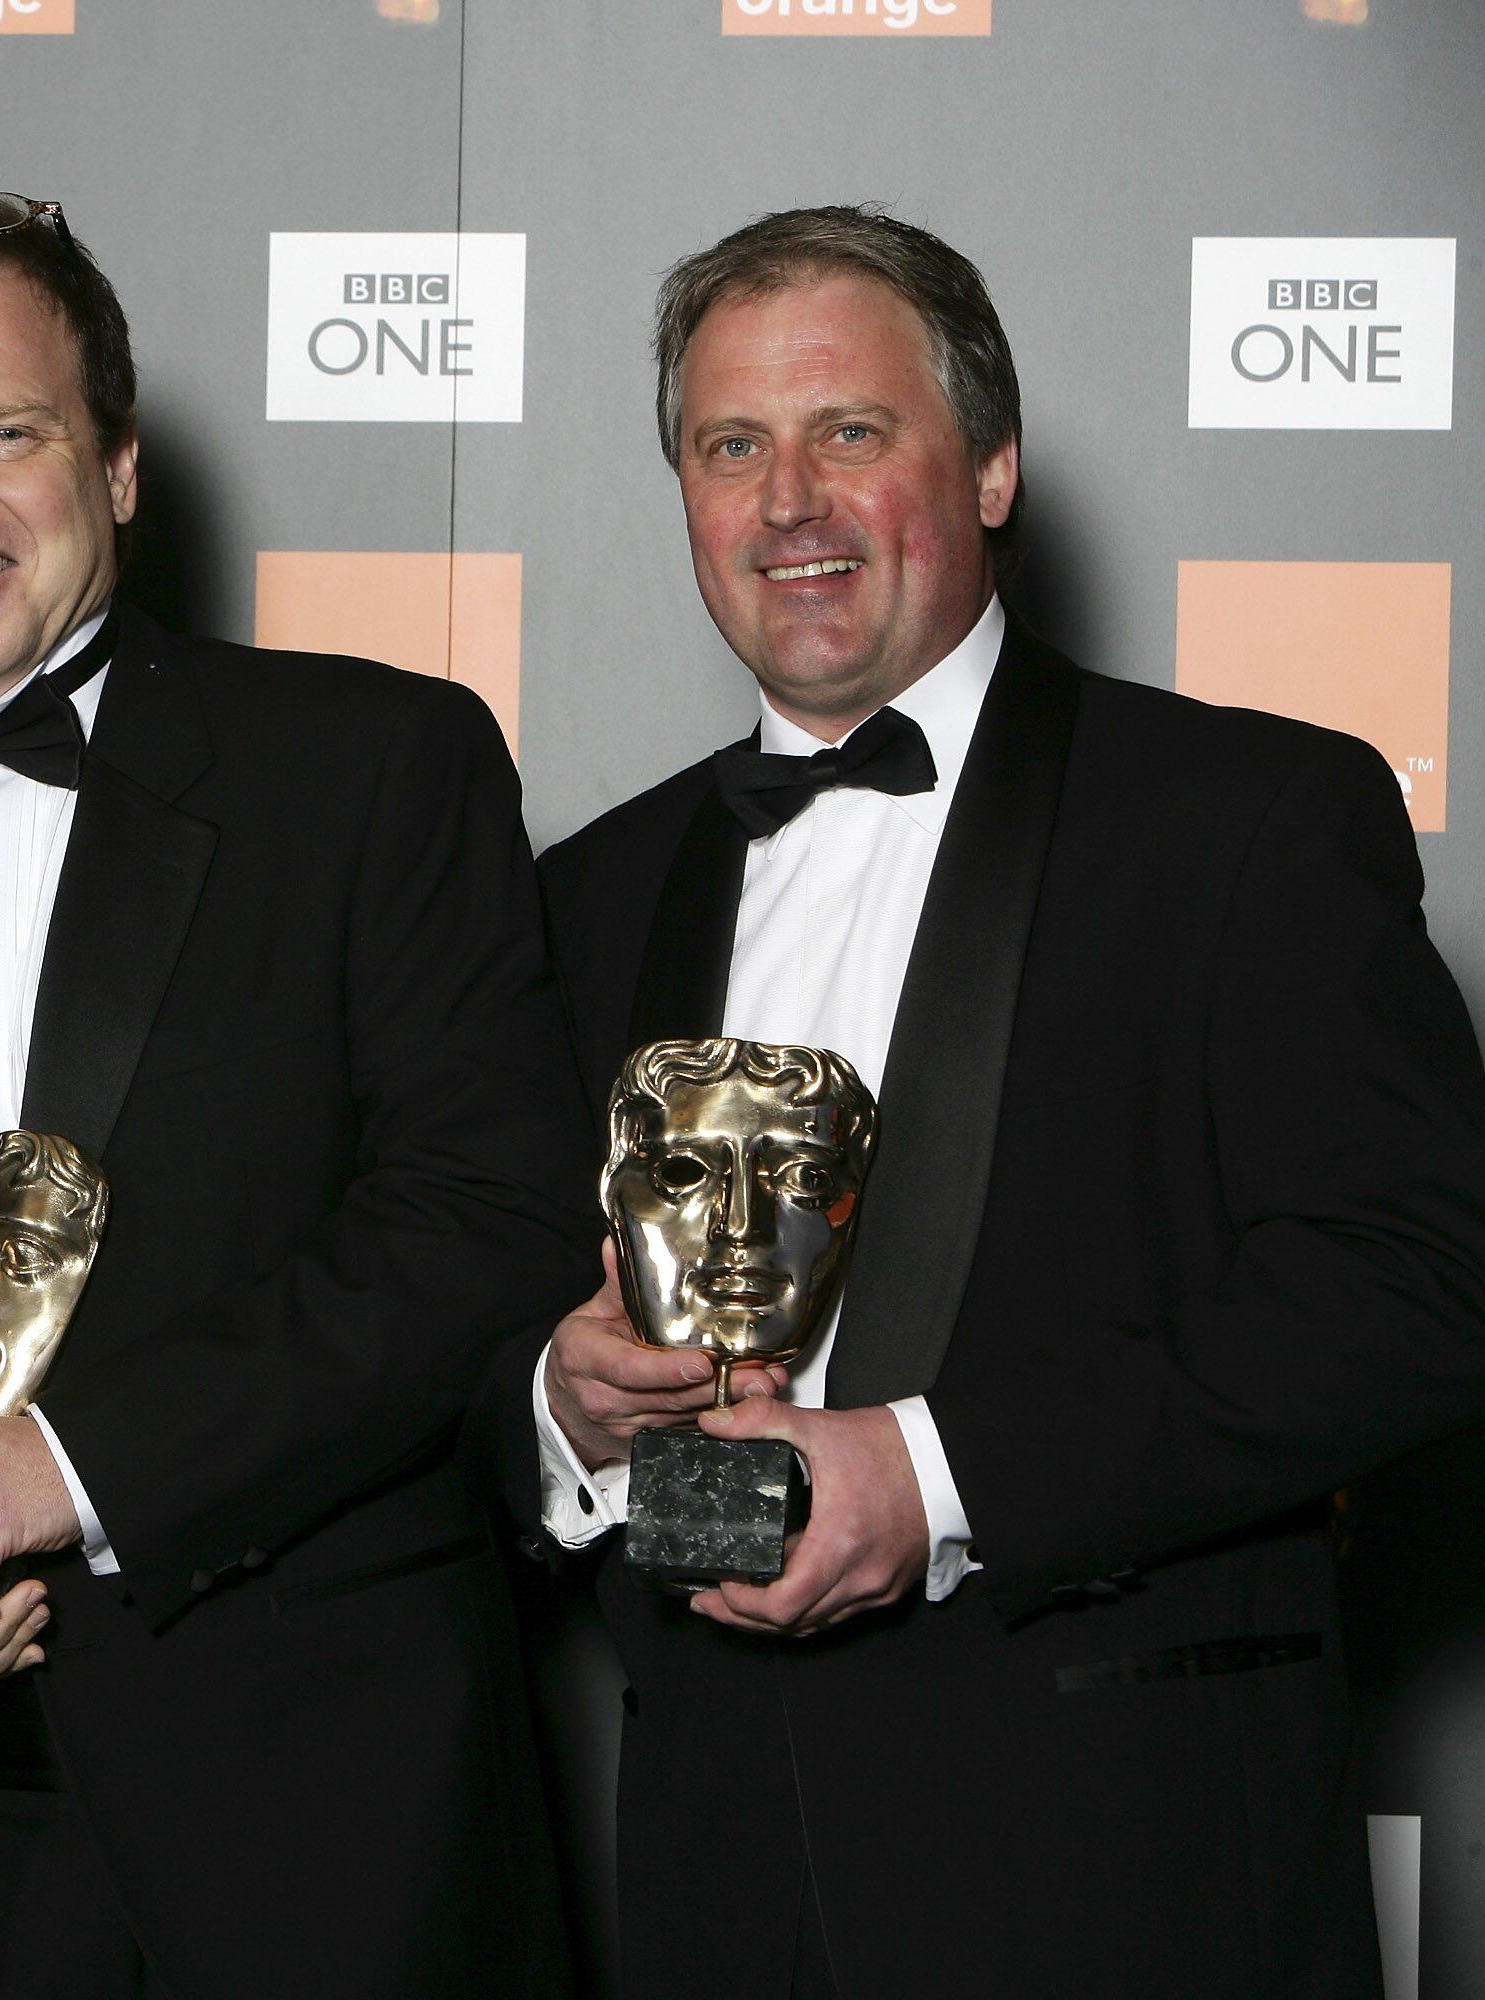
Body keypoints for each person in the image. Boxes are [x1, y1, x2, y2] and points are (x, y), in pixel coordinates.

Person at [489, 204, 1485, 1999]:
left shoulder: (1247, 820)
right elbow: (464, 1340)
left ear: (996, 465)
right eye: (732, 448)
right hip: (724, 1888)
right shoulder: (586, 895)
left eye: (850, 433)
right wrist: (563, 1413)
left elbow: (1411, 1289)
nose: (786, 501)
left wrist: (932, 1473)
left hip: (1134, 1883)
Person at [0, 192, 597, 1998]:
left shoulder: (374, 768)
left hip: (322, 1839)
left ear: (121, 465)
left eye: (10, 430)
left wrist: (71, 1466)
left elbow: (486, 1219)